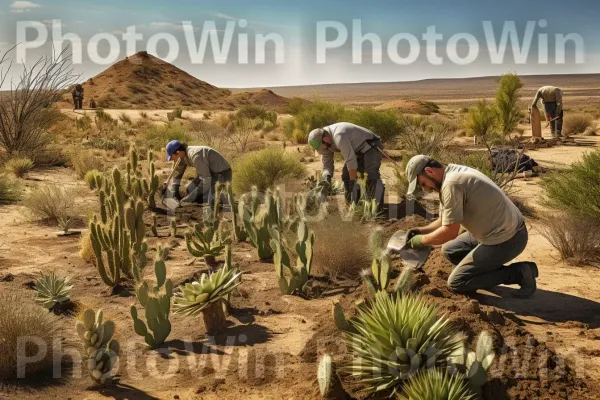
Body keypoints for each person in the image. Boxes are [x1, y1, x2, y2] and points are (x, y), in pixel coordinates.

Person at [404, 155, 538, 298]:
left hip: (508, 238)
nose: (425, 189)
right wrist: (420, 231)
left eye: (423, 184)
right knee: (451, 250)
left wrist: (419, 241)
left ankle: (519, 273)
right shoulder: (451, 173)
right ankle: (487, 274)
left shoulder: (452, 184)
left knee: (457, 282)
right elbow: (446, 219)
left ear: (430, 172)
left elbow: (449, 232)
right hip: (493, 230)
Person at [308, 122, 384, 204]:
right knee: (346, 176)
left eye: (321, 147)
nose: (322, 150)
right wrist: (326, 179)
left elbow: (351, 162)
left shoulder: (339, 136)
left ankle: (376, 206)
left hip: (371, 145)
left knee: (371, 175)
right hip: (357, 150)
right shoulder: (325, 143)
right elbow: (327, 166)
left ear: (325, 139)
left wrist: (353, 184)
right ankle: (353, 203)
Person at [165, 141, 232, 207]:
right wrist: (174, 193)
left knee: (208, 198)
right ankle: (203, 198)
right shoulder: (182, 156)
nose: (172, 160)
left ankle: (217, 199)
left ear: (178, 152)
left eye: (172, 157)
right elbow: (177, 174)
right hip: (210, 173)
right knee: (190, 189)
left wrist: (188, 199)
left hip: (222, 174)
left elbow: (206, 181)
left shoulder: (195, 155)